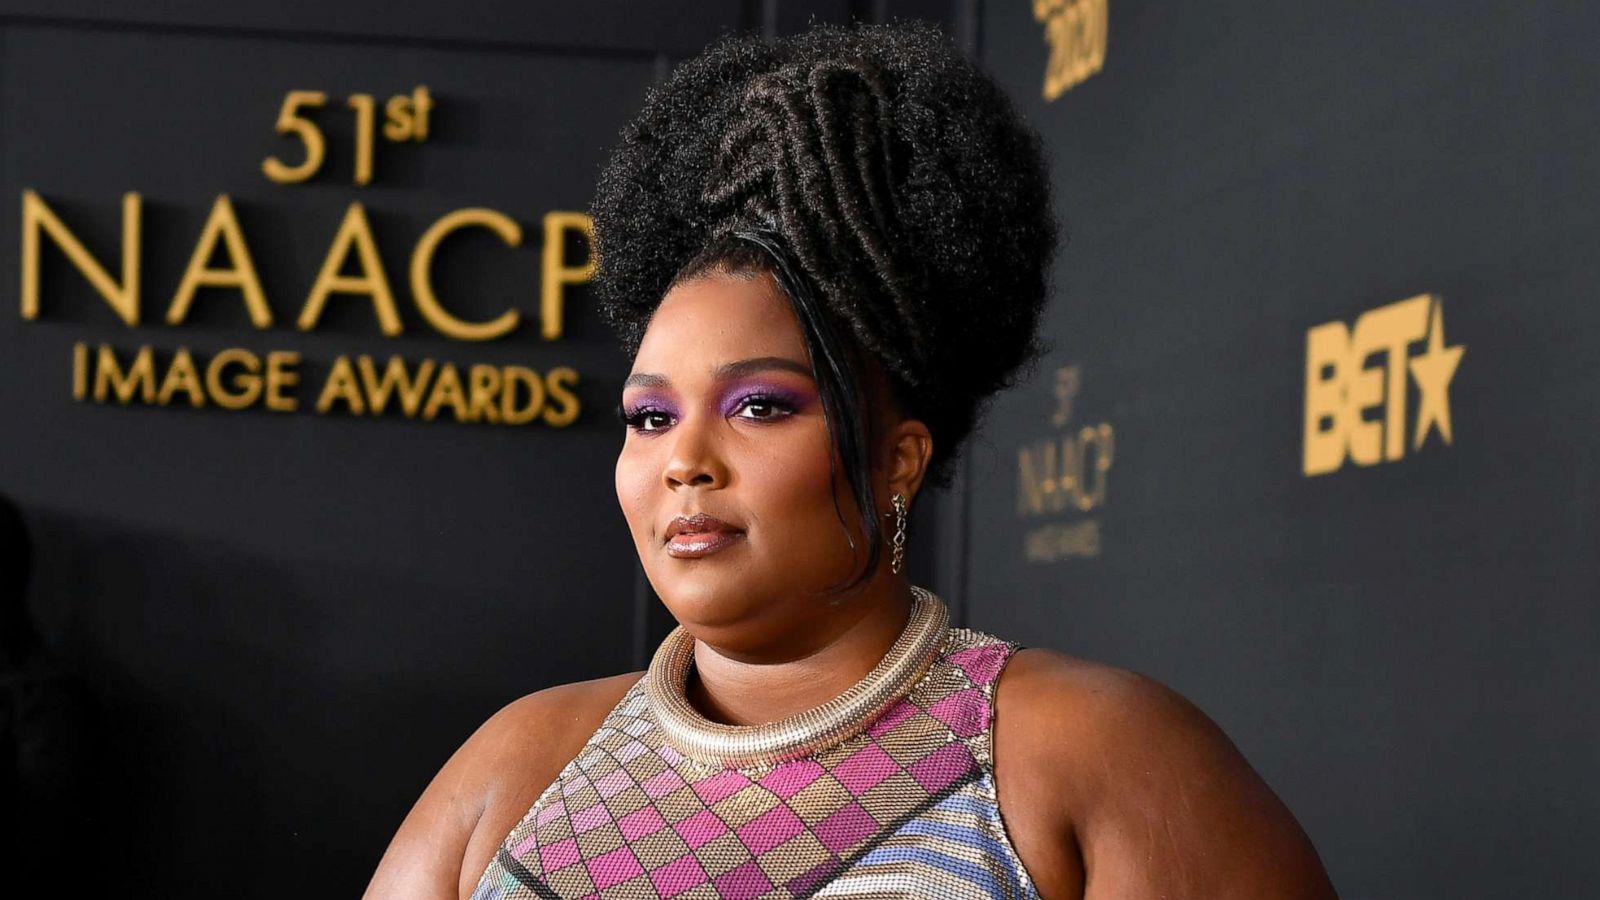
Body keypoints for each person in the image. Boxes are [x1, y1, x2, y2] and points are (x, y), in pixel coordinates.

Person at [366, 21, 1337, 899]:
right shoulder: (520, 765)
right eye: (650, 418)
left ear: (896, 461)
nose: (685, 461)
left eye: (758, 406)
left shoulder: (1080, 754)